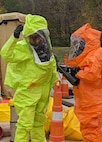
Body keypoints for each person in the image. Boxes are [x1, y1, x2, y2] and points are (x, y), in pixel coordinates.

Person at [0, 14, 58, 142]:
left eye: (38, 37)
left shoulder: (47, 48)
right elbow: (6, 54)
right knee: (24, 126)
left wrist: (56, 83)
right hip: (27, 93)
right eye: (32, 38)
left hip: (42, 93)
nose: (36, 41)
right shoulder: (24, 48)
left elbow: (51, 68)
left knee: (38, 124)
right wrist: (14, 38)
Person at [67, 23, 102, 142]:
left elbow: (91, 75)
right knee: (88, 129)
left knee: (91, 130)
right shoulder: (93, 55)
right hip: (90, 99)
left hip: (93, 100)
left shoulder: (95, 56)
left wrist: (77, 72)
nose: (77, 47)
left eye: (79, 43)